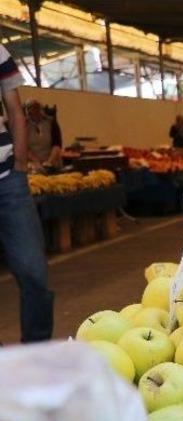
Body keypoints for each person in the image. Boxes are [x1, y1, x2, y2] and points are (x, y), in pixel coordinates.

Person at [0, 44, 54, 342]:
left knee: (34, 273)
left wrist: (20, 159)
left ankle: (38, 353)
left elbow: (13, 107)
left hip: (8, 179)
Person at [24, 98, 61, 170]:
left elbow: (57, 145)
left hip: (52, 162)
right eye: (31, 109)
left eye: (37, 108)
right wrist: (36, 161)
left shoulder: (51, 122)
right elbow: (23, 148)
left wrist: (49, 162)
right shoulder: (24, 124)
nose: (35, 112)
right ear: (27, 111)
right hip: (33, 165)